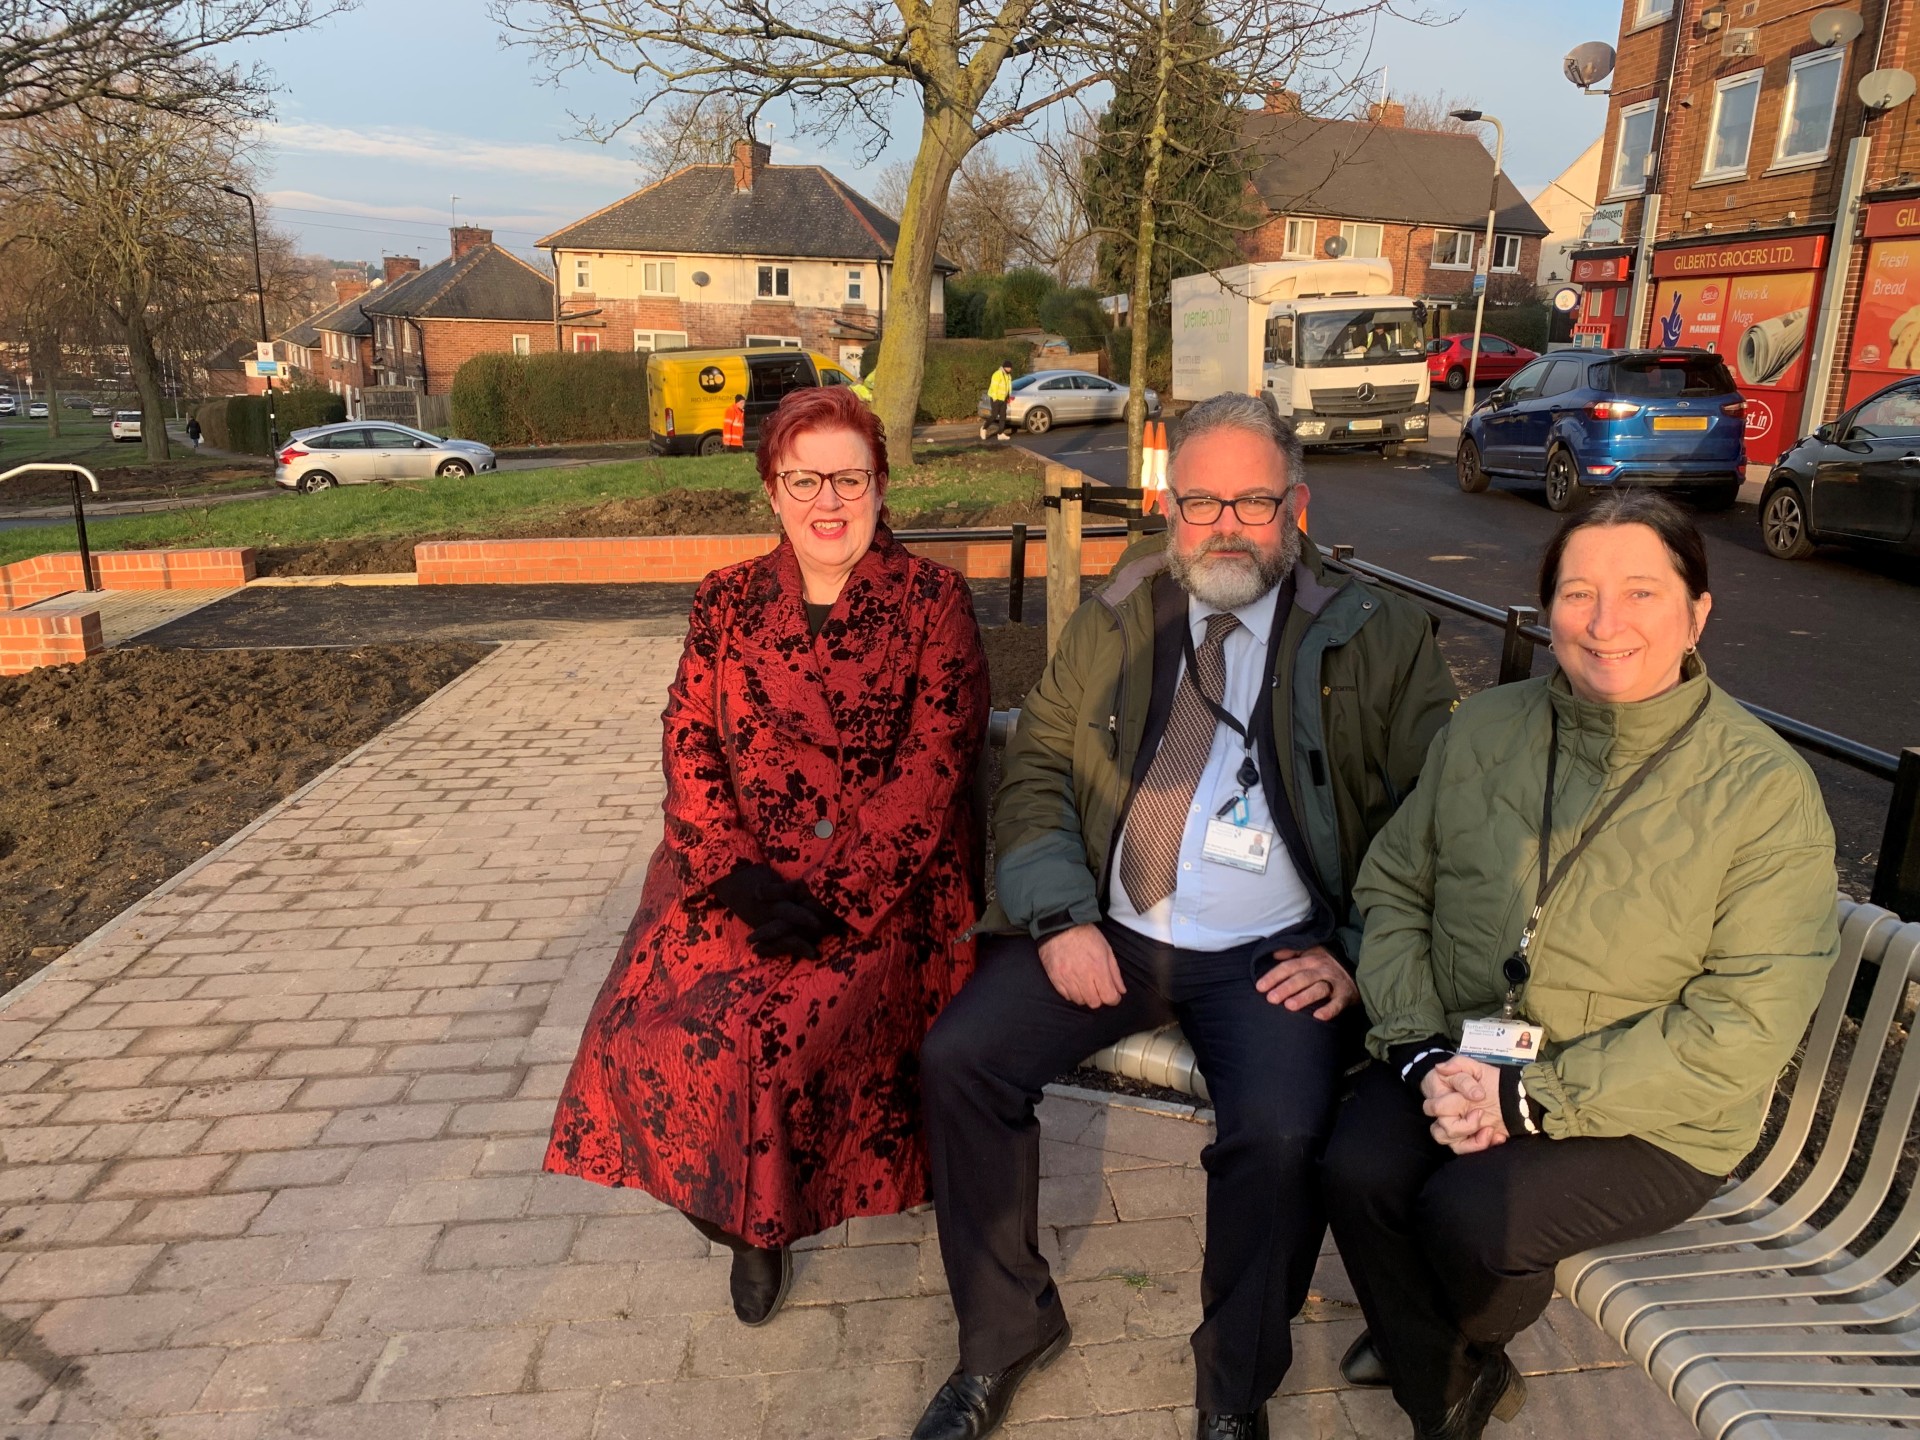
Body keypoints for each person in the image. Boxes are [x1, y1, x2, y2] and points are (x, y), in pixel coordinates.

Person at [911, 391, 1459, 1440]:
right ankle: (1005, 1329)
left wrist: (1351, 955)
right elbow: (1033, 774)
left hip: (1275, 954)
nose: (1223, 526)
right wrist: (1062, 913)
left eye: (1251, 501)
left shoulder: (1376, 636)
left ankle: (1234, 1386)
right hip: (1114, 928)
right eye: (1200, 500)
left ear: (1295, 505)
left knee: (1283, 1132)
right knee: (961, 1059)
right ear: (1170, 506)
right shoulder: (1118, 617)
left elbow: (1430, 823)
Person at [1321, 490, 1840, 1440]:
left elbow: (1743, 1025)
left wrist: (1530, 1102)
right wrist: (1423, 1052)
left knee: (1474, 1216)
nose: (1606, 625)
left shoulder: (1765, 792)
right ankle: (1442, 1373)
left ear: (1699, 611)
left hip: (1656, 1115)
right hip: (1469, 1052)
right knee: (1357, 1164)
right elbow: (1396, 889)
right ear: (1546, 607)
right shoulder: (1487, 730)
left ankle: (1430, 1354)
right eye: (1577, 594)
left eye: (1642, 592)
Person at [545, 384, 991, 1329]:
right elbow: (689, 740)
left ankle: (765, 1226)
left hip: (883, 887)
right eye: (805, 480)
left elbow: (935, 763)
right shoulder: (726, 600)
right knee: (642, 1033)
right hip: (737, 876)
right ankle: (744, 1211)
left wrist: (844, 896)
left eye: (850, 479)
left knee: (759, 1038)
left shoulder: (932, 601)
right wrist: (736, 875)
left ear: (880, 485)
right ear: (771, 490)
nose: (829, 502)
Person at [986, 362, 1014, 440]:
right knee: (994, 415)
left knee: (1003, 416)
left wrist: (1008, 396)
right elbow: (994, 386)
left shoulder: (1008, 376)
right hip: (996, 398)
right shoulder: (997, 374)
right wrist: (995, 398)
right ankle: (984, 428)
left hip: (1003, 399)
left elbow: (1008, 387)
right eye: (1009, 367)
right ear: (1004, 367)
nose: (1010, 369)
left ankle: (1000, 433)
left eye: (1010, 368)